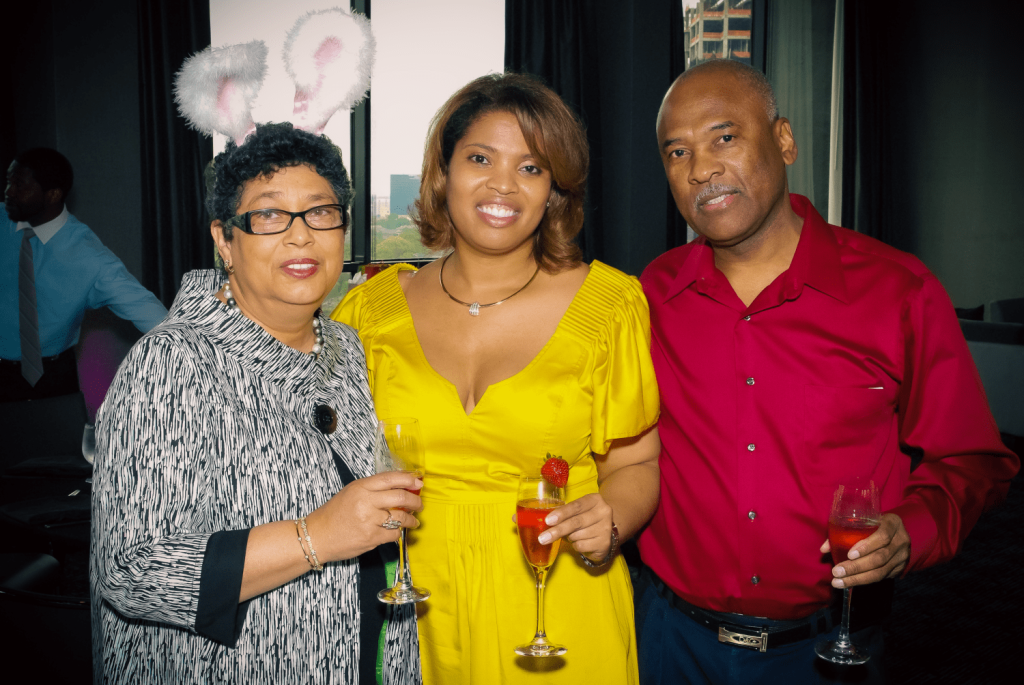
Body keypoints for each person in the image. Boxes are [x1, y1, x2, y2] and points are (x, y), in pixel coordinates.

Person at [634, 59, 1020, 684]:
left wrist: (910, 530)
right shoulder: (652, 295)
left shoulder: (898, 291)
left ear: (784, 140)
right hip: (669, 640)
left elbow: (972, 458)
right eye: (677, 152)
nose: (701, 168)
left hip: (825, 652)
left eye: (724, 137)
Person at [333, 73, 661, 683]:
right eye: (480, 158)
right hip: (413, 604)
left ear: (554, 191)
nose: (502, 184)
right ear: (443, 172)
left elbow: (637, 464)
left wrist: (611, 519)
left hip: (556, 600)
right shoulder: (372, 311)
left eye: (532, 167)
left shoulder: (610, 304)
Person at [91, 123, 422, 684]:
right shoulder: (173, 362)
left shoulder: (345, 345)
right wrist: (315, 536)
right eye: (270, 215)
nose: (301, 237)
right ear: (225, 239)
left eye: (321, 212)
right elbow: (132, 570)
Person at [1, 148, 167, 402]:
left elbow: (146, 309)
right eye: (9, 182)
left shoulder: (89, 257)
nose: (8, 192)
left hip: (53, 378)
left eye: (20, 185)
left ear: (53, 194)